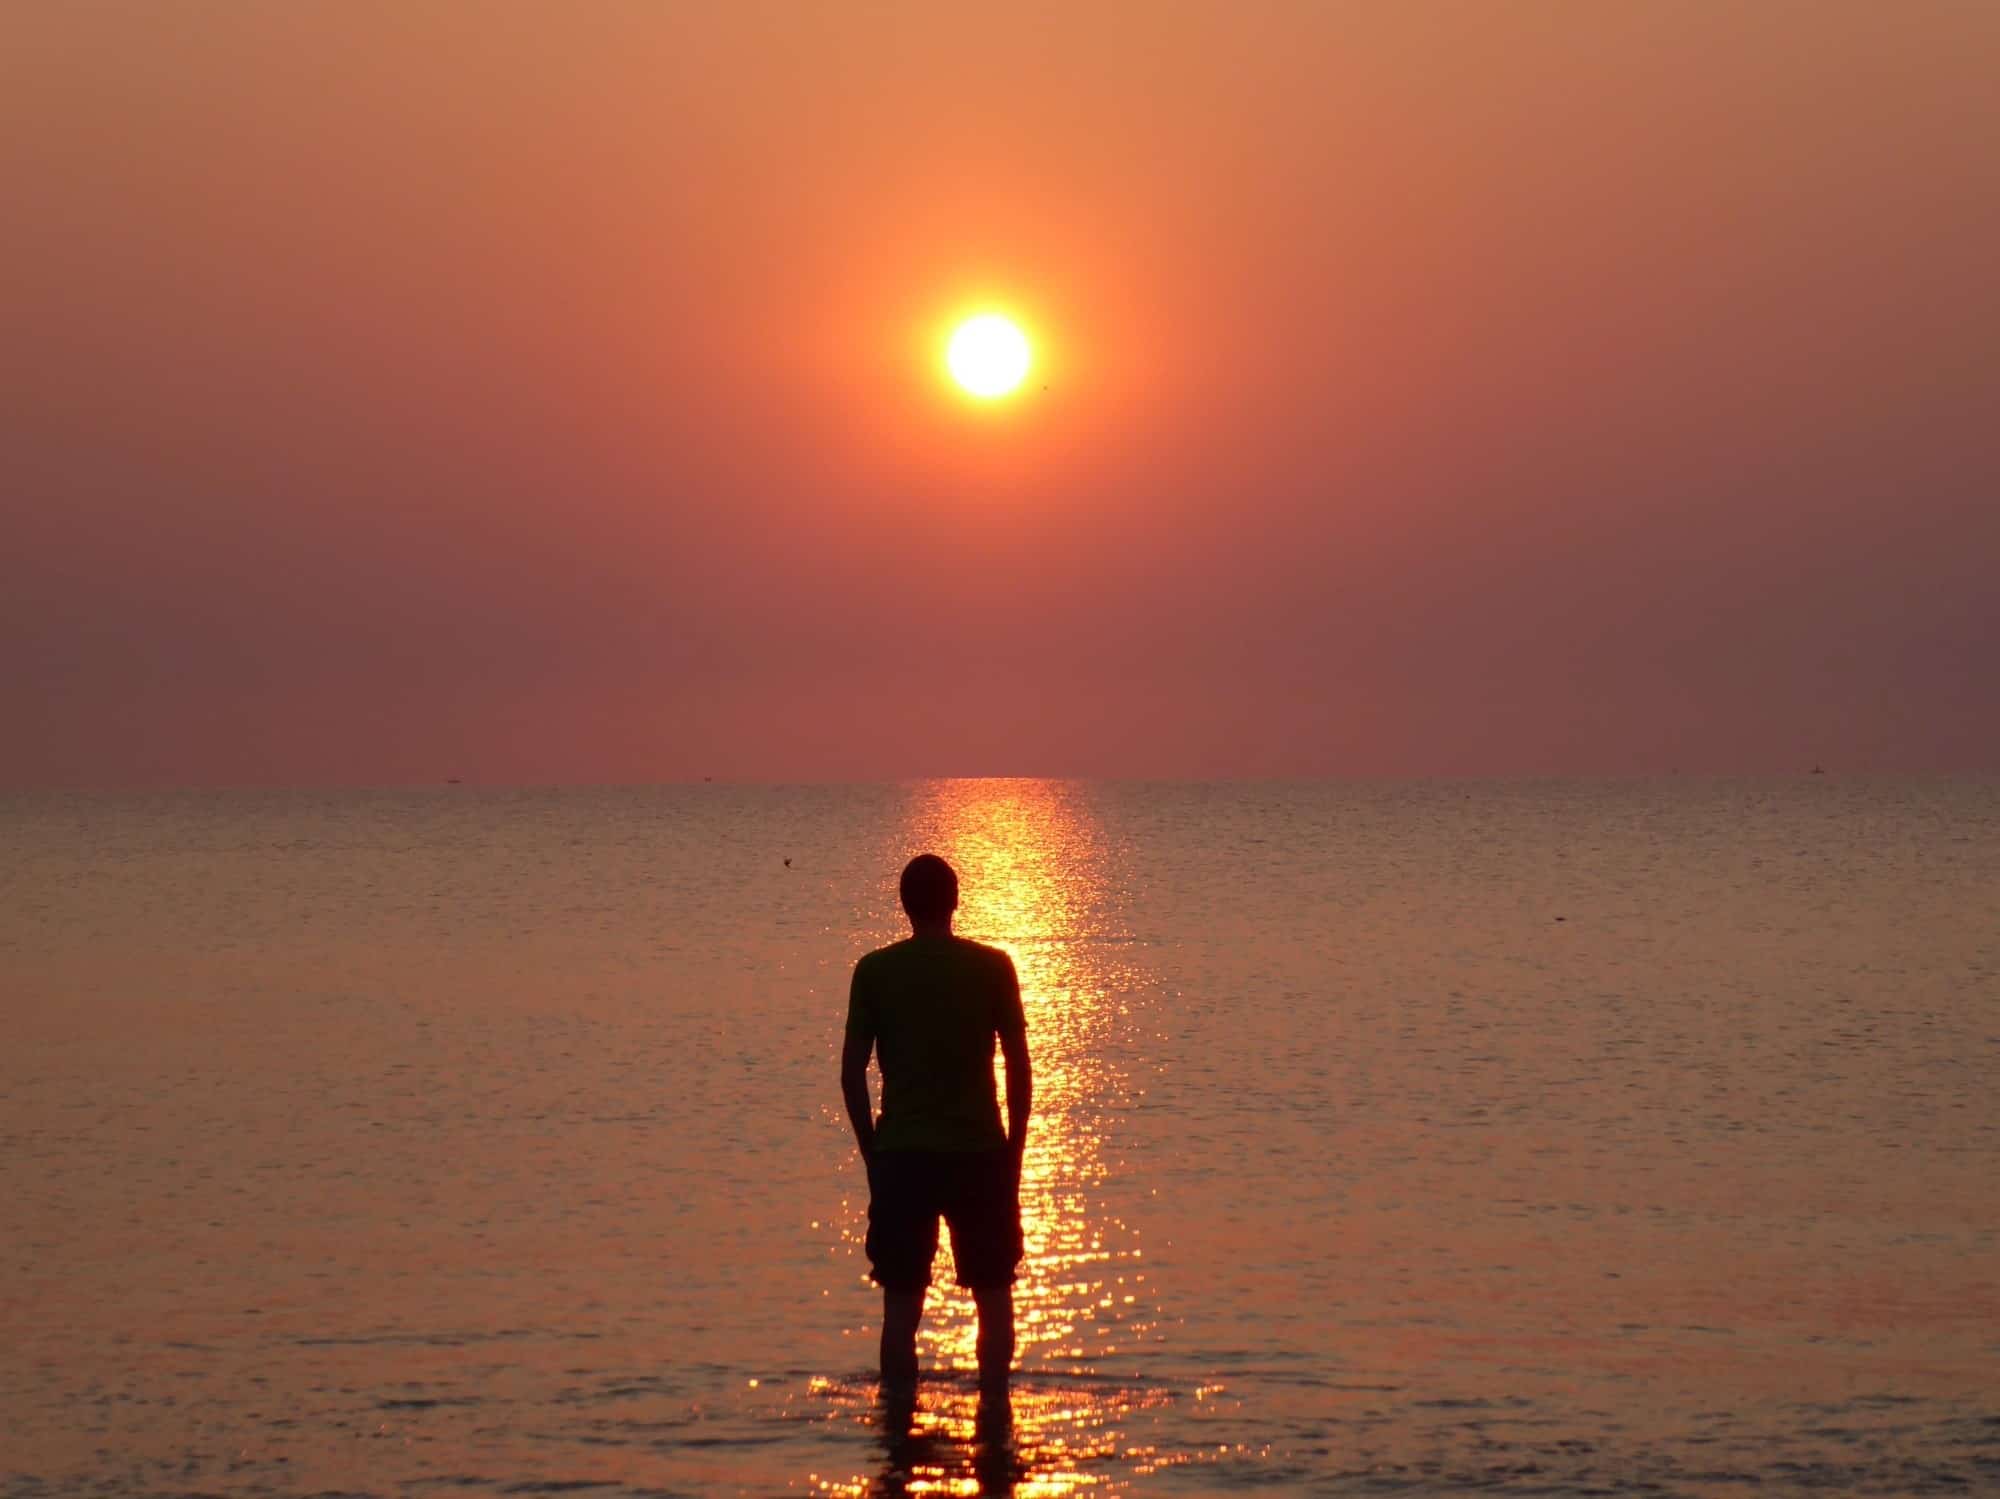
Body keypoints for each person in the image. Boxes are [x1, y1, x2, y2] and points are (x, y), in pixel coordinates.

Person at [842, 853, 1032, 1396]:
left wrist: (872, 1153)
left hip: (902, 1158)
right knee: (994, 1300)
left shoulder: (874, 971)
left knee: (900, 1310)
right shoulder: (994, 967)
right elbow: (1019, 1069)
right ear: (955, 901)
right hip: (978, 1156)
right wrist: (1013, 1153)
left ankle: (897, 1437)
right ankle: (995, 1422)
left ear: (904, 905)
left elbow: (851, 1074)